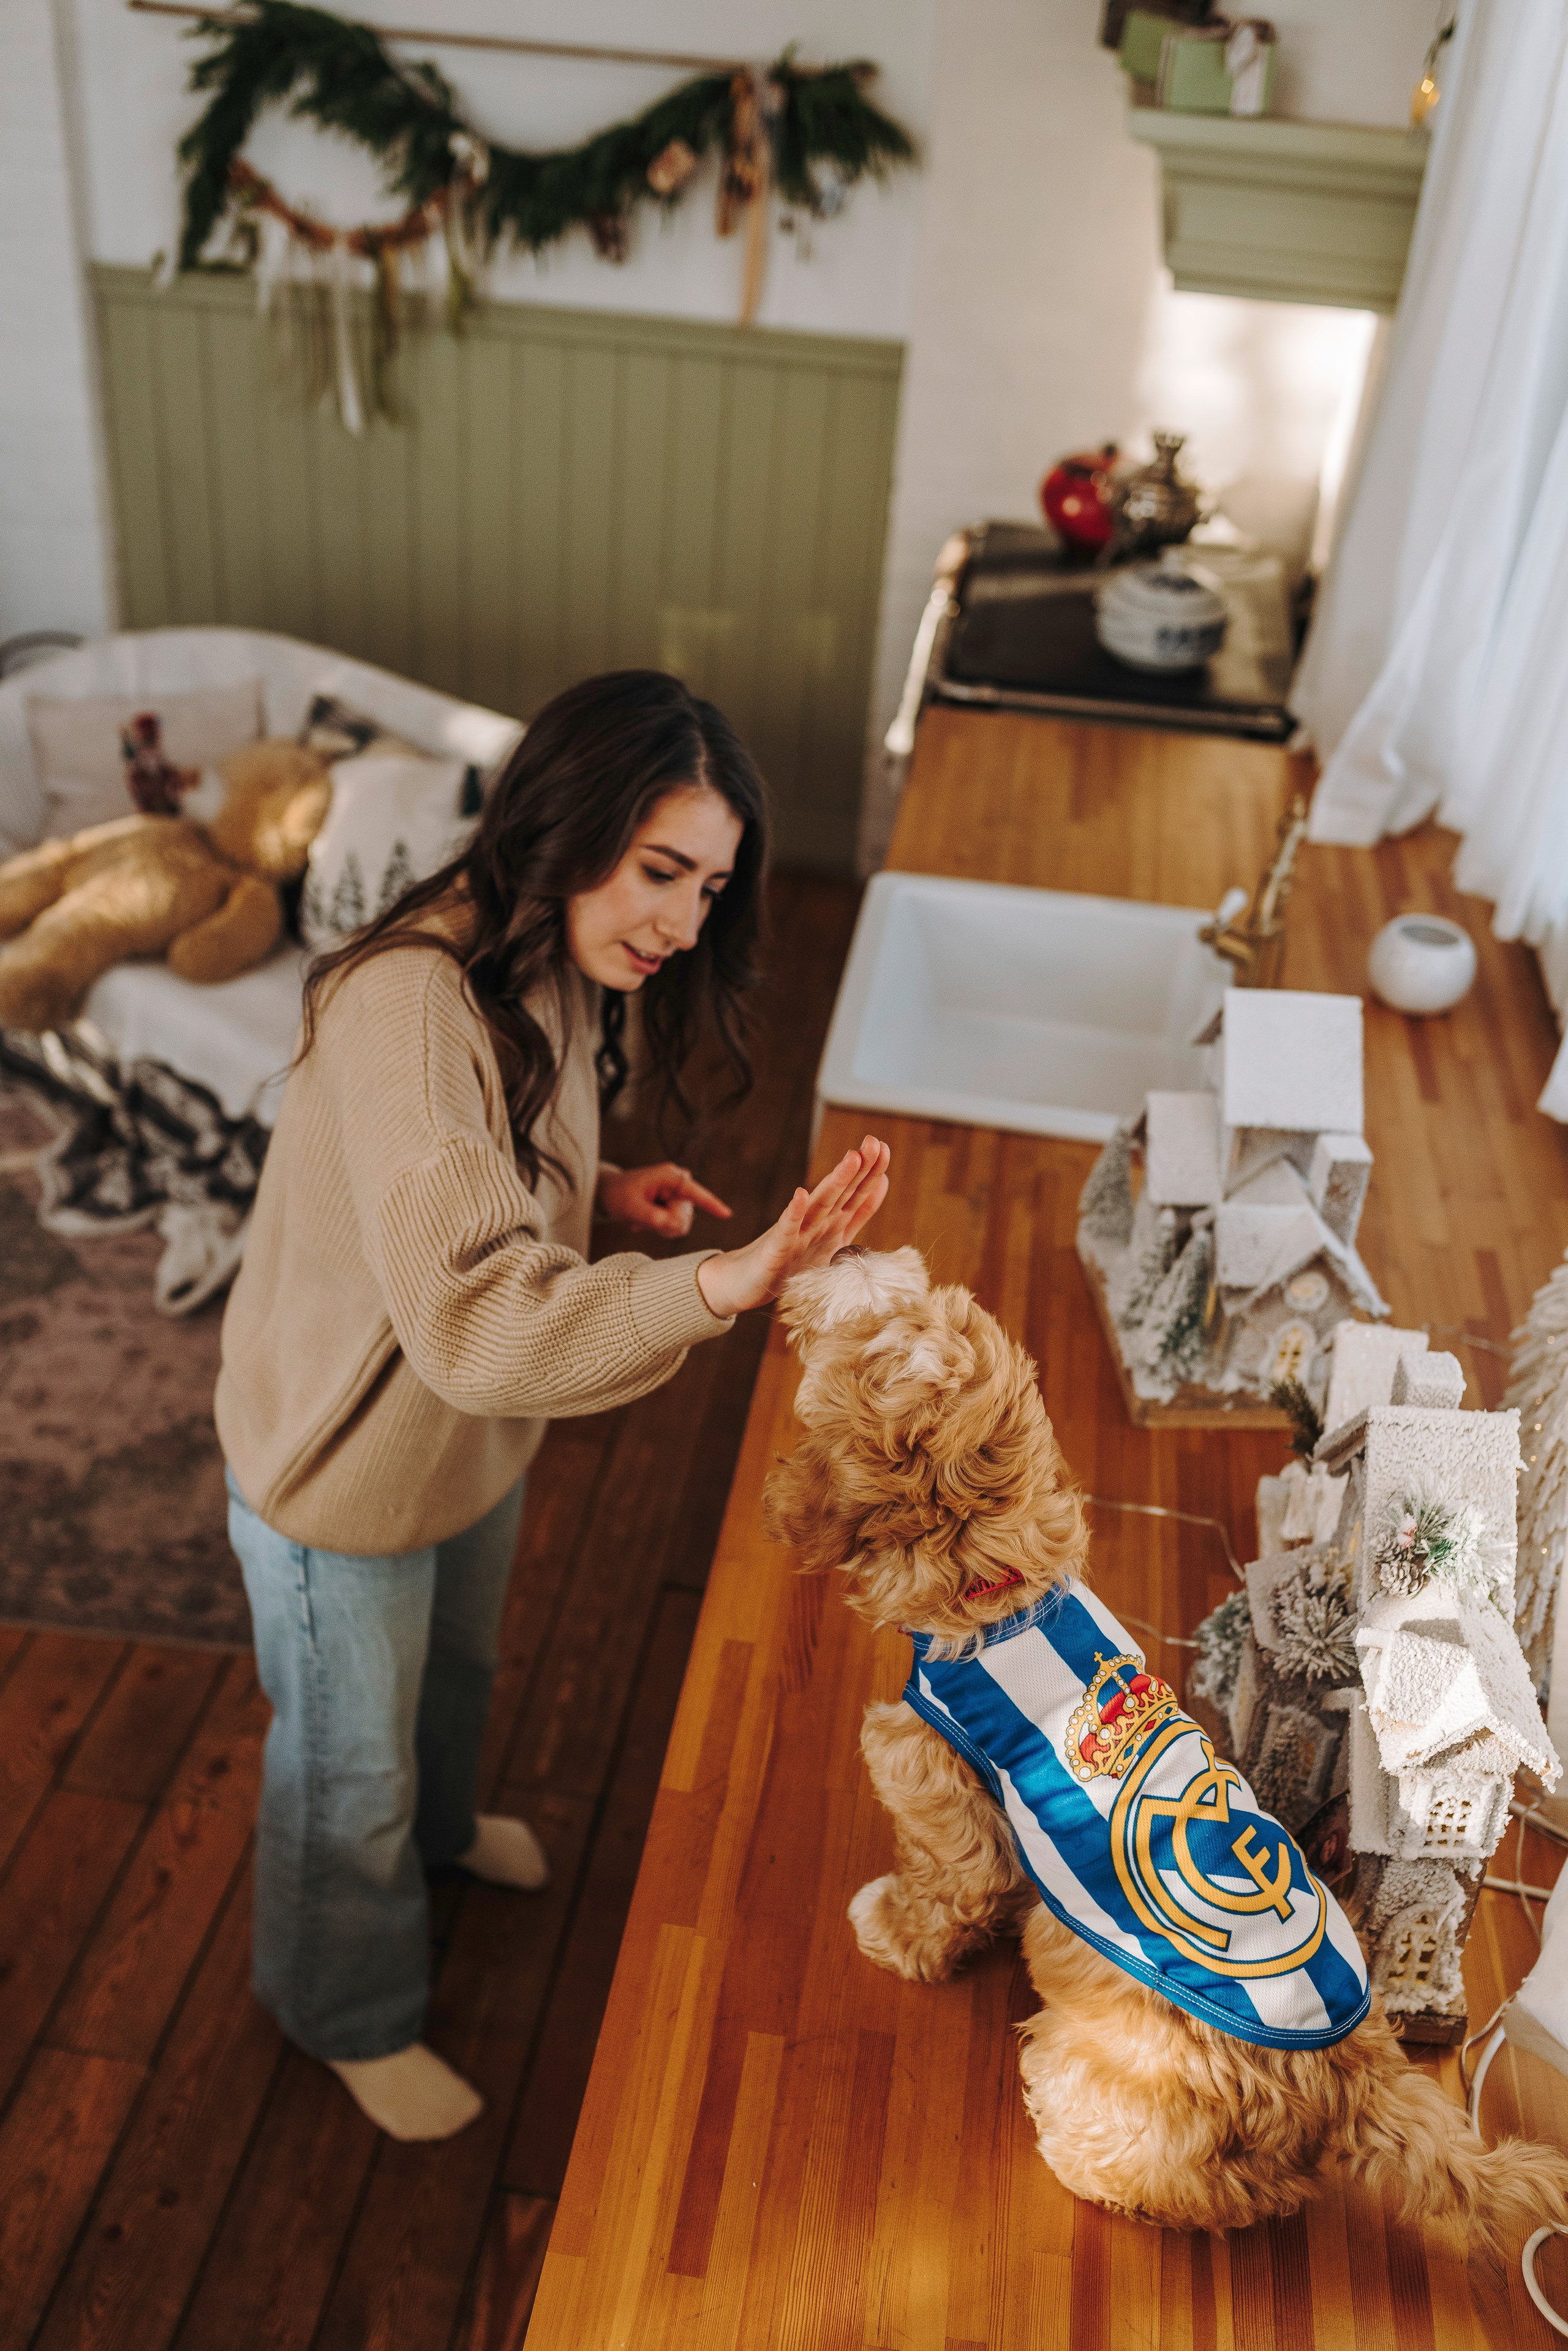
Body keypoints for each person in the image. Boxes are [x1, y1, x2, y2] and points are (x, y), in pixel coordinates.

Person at [216, 670, 889, 2142]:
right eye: (660, 872)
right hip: (342, 1468)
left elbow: (469, 1155)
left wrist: (589, 1186)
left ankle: (443, 1841)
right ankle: (342, 2003)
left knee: (452, 1679)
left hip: (461, 1443)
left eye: (708, 887)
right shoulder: (407, 999)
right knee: (349, 1762)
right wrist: (722, 1281)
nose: (681, 921)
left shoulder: (559, 957)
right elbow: (467, 1313)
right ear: (561, 822)